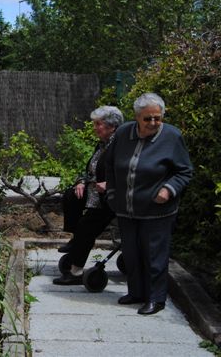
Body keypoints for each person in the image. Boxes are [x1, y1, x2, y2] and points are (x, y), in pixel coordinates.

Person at [106, 93, 193, 315]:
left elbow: (184, 171)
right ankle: (136, 292)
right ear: (137, 117)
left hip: (157, 211)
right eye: (147, 119)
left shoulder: (172, 137)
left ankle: (156, 299)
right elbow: (110, 164)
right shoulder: (123, 133)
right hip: (126, 209)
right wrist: (113, 193)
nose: (153, 123)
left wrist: (168, 189)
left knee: (155, 256)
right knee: (132, 254)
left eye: (157, 118)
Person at [53, 106, 124, 285]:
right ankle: (76, 239)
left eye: (98, 124)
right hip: (93, 191)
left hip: (111, 196)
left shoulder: (121, 146)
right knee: (71, 195)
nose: (95, 128)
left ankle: (76, 272)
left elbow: (128, 172)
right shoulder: (101, 144)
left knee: (87, 226)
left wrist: (111, 184)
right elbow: (90, 171)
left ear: (112, 126)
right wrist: (81, 182)